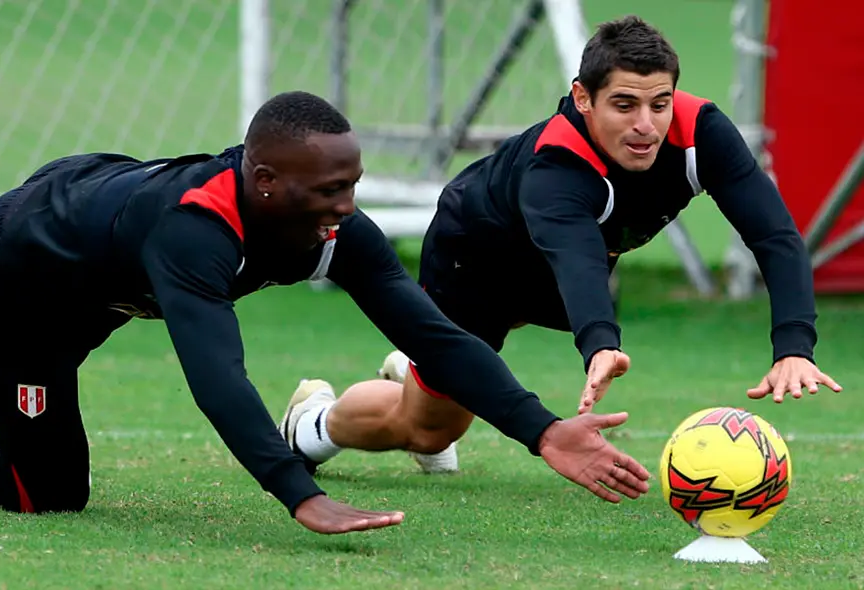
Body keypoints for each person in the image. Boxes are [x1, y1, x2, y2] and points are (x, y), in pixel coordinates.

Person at [0, 90, 651, 535]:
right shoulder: (194, 235)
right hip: (25, 264)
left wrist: (543, 430)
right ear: (267, 181)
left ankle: (13, 417)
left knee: (37, 432)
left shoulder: (327, 225)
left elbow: (432, 337)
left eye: (352, 185)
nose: (346, 208)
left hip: (105, 249)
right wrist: (299, 492)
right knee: (42, 494)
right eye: (328, 191)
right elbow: (220, 378)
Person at [279, 16, 842, 475]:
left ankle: (423, 366)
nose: (647, 124)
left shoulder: (701, 132)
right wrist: (600, 343)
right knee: (428, 430)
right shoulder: (557, 168)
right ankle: (312, 424)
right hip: (476, 259)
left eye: (659, 103)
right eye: (624, 105)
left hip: (564, 265)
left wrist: (794, 344)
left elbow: (774, 235)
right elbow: (577, 260)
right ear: (583, 97)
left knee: (459, 382)